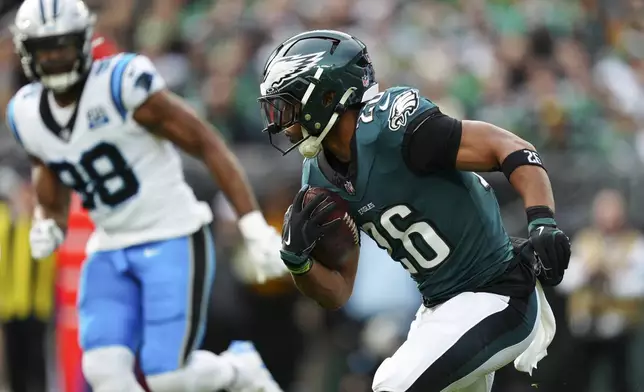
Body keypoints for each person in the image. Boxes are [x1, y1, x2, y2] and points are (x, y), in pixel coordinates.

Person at [258, 30, 571, 392]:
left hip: (498, 293)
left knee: (392, 385)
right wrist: (300, 264)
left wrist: (543, 221)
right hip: (440, 310)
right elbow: (339, 291)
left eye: (289, 106)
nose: (281, 122)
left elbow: (510, 147)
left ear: (327, 96)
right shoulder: (318, 178)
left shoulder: (393, 128)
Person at [5, 1, 286, 391]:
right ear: (26, 52)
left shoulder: (121, 84)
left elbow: (207, 144)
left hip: (171, 233)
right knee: (103, 370)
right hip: (109, 245)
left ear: (84, 41)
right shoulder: (26, 112)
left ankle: (240, 369)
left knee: (169, 377)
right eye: (43, 48)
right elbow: (47, 164)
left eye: (62, 45)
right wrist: (48, 221)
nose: (53, 57)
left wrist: (253, 225)